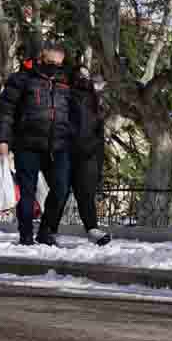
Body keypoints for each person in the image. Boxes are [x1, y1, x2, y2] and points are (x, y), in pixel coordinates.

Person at [0, 39, 77, 246]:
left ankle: (46, 231)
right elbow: (5, 111)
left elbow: (74, 111)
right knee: (27, 191)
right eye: (50, 62)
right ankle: (26, 234)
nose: (54, 67)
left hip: (58, 145)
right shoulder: (21, 79)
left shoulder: (66, 81)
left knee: (61, 188)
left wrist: (73, 135)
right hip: (27, 143)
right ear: (41, 58)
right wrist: (1, 139)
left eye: (58, 64)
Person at [66, 62, 113, 246]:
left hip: (89, 153)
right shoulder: (66, 96)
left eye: (86, 77)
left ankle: (92, 229)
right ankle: (48, 229)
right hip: (68, 152)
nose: (84, 80)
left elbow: (98, 133)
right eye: (80, 77)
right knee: (59, 193)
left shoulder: (96, 101)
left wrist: (98, 161)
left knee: (86, 194)